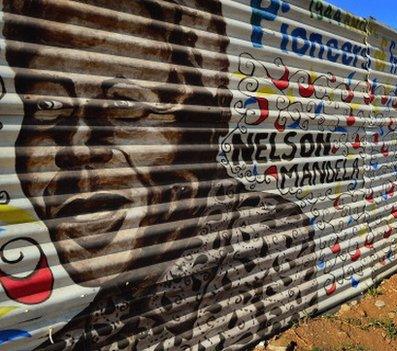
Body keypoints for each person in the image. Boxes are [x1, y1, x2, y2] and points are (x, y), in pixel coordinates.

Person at [2, 1, 316, 349]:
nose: (77, 148)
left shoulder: (265, 245)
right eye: (48, 106)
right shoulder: (90, 325)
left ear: (208, 121)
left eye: (124, 104)